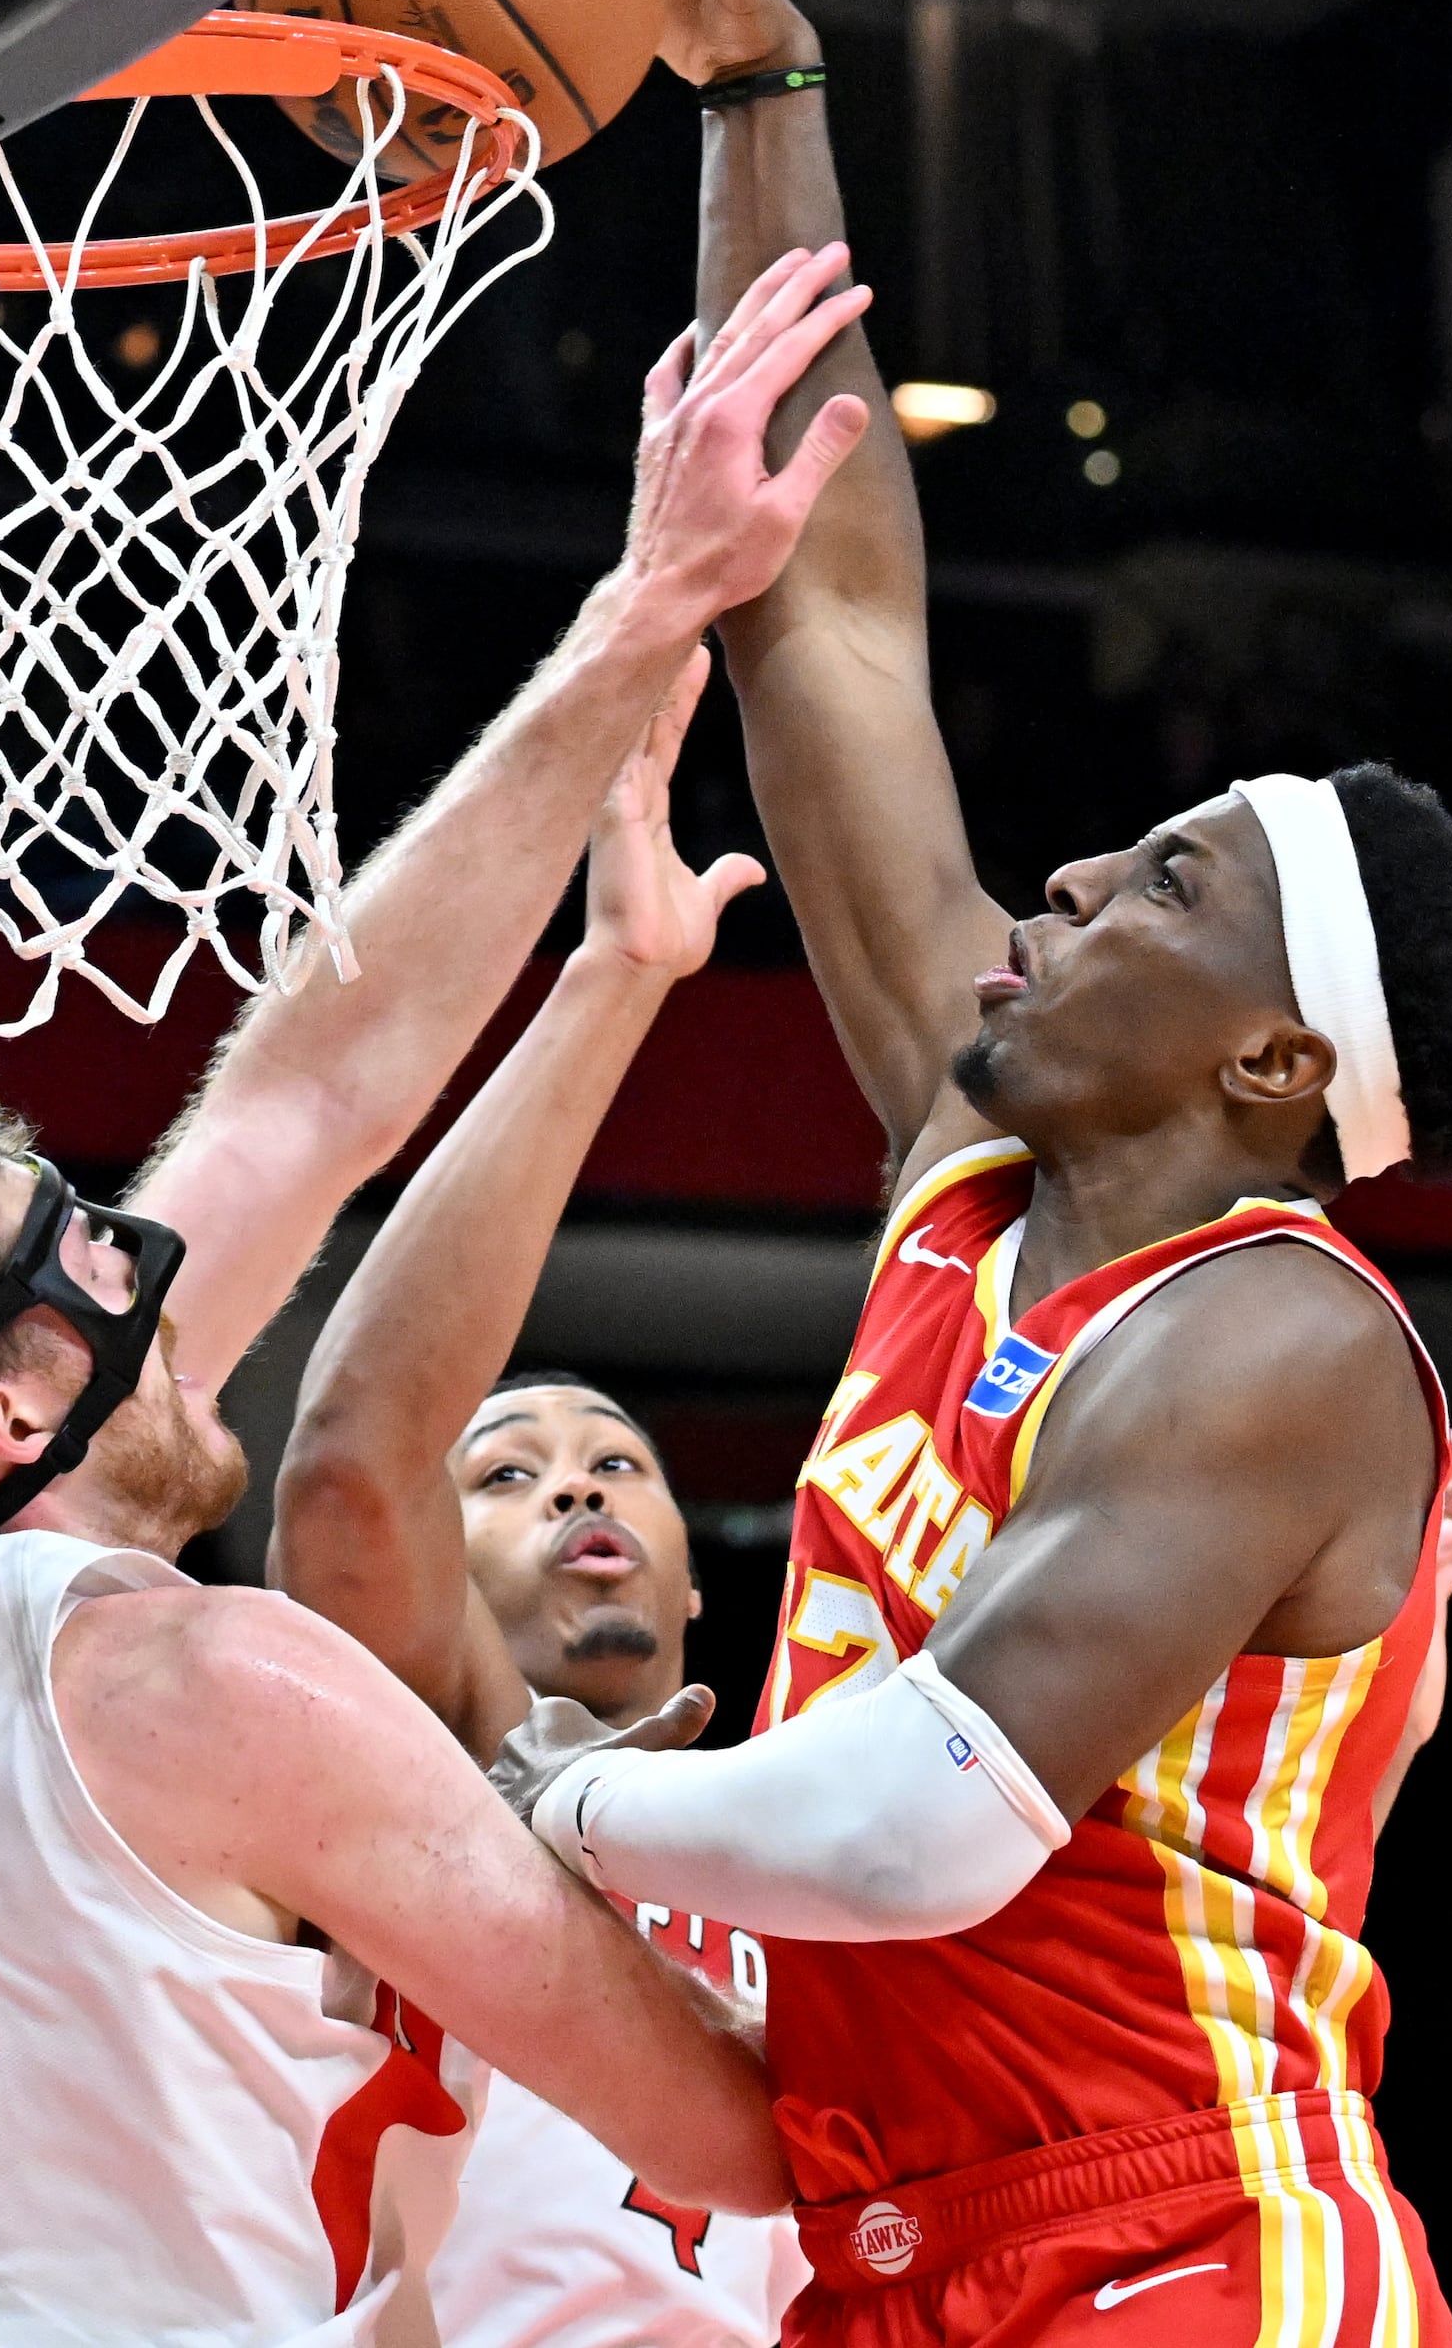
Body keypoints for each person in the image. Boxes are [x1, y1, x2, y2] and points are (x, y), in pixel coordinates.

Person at [487, 0, 1452, 2348]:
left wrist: (545, 1801)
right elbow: (832, 612)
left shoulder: (1274, 1337)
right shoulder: (973, 1185)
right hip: (892, 2240)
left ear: (1279, 1061)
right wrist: (762, 82)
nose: (1070, 876)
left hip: (1189, 2236)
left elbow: (916, 1822)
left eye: (1164, 885)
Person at [0, 251, 878, 2348]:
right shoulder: (217, 1690)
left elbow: (311, 1092)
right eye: (94, 1255)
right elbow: (724, 2133)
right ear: (6, 1416)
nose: (151, 1250)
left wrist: (646, 610)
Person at [270, 655, 813, 2348]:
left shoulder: (837, 1834)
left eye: (616, 1461)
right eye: (502, 1475)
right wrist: (614, 979)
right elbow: (357, 1463)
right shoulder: (419, 1767)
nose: (576, 1475)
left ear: (701, 1586)